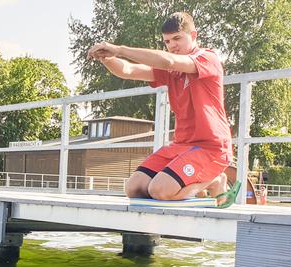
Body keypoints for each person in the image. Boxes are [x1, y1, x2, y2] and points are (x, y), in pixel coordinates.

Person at [88, 12, 232, 203]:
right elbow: (128, 70)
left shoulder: (207, 58)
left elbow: (168, 60)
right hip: (181, 145)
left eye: (177, 38)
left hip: (211, 147)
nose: (172, 45)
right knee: (134, 188)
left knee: (160, 190)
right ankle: (196, 185)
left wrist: (119, 49)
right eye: (167, 42)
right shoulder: (171, 70)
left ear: (194, 35)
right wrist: (106, 58)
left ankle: (214, 180)